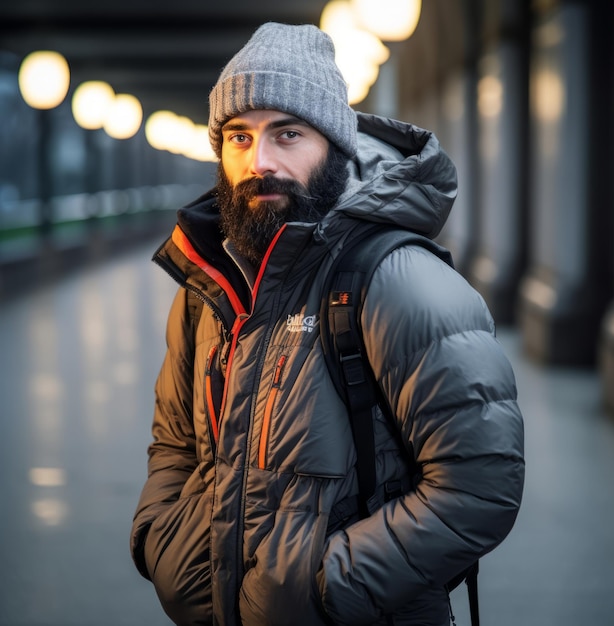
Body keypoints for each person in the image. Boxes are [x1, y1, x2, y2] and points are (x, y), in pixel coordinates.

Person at [130, 22, 525, 626]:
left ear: (335, 146)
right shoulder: (209, 287)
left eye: (288, 134)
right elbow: (176, 443)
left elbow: (478, 489)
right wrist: (163, 542)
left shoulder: (397, 280)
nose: (260, 161)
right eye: (239, 136)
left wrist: (321, 590)